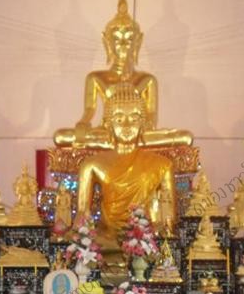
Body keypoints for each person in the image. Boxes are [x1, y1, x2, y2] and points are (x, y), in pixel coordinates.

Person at [53, 0, 192, 150]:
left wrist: (139, 129)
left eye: (129, 39)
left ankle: (120, 145)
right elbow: (89, 110)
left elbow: (151, 117)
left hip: (138, 135)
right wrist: (83, 124)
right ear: (107, 43)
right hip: (106, 133)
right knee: (60, 136)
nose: (124, 45)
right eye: (117, 40)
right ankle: (112, 143)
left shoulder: (147, 80)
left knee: (186, 137)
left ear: (138, 42)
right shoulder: (96, 78)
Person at [74, 83, 175, 246]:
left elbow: (169, 214)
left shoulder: (162, 165)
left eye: (134, 119)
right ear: (108, 124)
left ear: (143, 124)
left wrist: (163, 230)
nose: (127, 126)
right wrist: (81, 240)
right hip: (106, 240)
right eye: (119, 119)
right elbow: (82, 212)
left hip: (146, 241)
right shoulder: (91, 165)